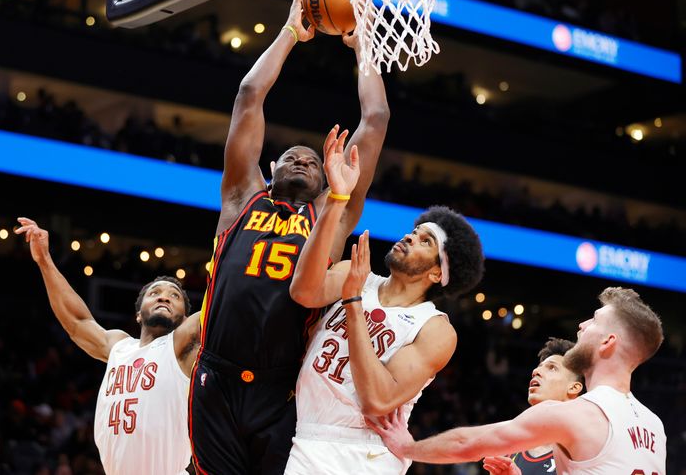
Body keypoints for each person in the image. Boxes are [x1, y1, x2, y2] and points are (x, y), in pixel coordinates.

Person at [188, 0, 391, 475]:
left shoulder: (330, 216)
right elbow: (249, 95)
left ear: (326, 178)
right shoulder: (241, 199)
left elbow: (376, 116)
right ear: (271, 167)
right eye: (291, 157)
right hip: (215, 375)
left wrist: (364, 41)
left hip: (281, 388)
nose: (302, 158)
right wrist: (288, 33)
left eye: (311, 160)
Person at [283, 131, 484, 474]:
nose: (409, 236)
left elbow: (378, 399)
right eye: (414, 231)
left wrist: (353, 302)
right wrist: (337, 197)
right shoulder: (356, 275)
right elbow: (302, 291)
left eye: (425, 242)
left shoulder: (434, 328)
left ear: (437, 273)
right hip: (308, 435)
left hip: (364, 452)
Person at [370, 287, 666, 475]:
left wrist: (409, 448)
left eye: (594, 321)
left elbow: (466, 443)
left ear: (608, 342)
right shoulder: (655, 427)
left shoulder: (579, 414)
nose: (582, 325)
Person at [15, 217, 200, 475]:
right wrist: (45, 261)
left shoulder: (182, 346)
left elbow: (223, 300)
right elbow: (77, 322)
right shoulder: (119, 346)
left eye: (174, 296)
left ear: (183, 318)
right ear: (138, 314)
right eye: (155, 292)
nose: (164, 297)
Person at [482, 338, 584, 475]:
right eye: (539, 366)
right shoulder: (508, 453)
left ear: (574, 387)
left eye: (552, 368)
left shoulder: (586, 452)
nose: (536, 371)